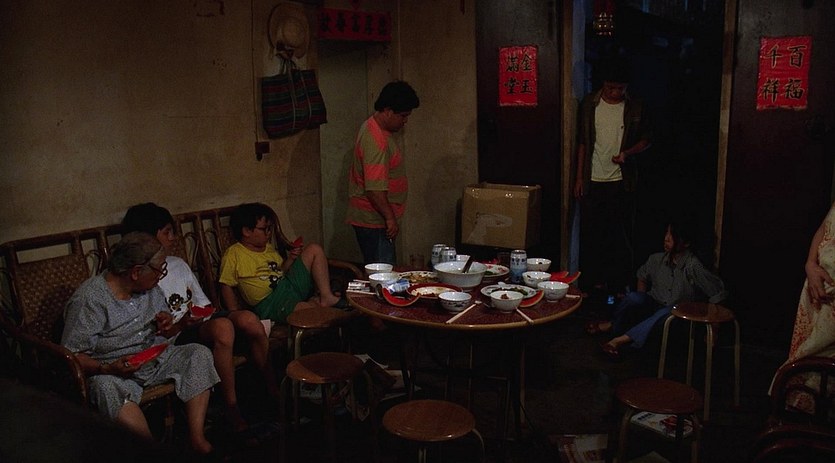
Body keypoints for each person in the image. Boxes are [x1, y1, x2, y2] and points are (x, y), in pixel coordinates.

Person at [121, 202, 275, 433]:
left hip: (197, 321)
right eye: (167, 232)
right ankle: (231, 406)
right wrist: (182, 322)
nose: (173, 238)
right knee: (223, 328)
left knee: (249, 320)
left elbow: (203, 304)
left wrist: (200, 313)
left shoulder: (177, 264)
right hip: (175, 333)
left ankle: (272, 389)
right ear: (148, 238)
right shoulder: (140, 276)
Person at [61, 232, 219, 455]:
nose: (162, 275)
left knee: (197, 354)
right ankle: (151, 453)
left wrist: (176, 324)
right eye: (159, 270)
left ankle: (197, 440)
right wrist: (106, 368)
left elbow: (166, 332)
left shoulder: (149, 289)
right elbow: (72, 355)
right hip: (114, 371)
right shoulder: (90, 300)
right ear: (135, 272)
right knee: (105, 387)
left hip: (154, 359)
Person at [586, 221, 727, 359]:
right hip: (654, 304)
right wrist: (640, 303)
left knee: (668, 311)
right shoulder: (657, 259)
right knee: (634, 298)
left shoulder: (693, 266)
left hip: (677, 315)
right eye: (667, 233)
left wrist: (714, 331)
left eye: (673, 235)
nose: (667, 238)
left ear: (686, 243)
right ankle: (613, 325)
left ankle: (618, 341)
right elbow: (642, 276)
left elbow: (717, 293)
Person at [574, 58, 652, 295]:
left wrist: (627, 153)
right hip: (593, 179)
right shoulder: (590, 104)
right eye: (610, 88)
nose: (615, 93)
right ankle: (592, 284)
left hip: (621, 180)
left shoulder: (635, 106)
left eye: (620, 88)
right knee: (591, 234)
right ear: (603, 85)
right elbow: (583, 142)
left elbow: (647, 140)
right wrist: (579, 178)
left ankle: (618, 285)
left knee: (620, 235)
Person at [219, 202, 347, 323]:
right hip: (271, 302)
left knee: (314, 249)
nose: (269, 233)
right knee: (310, 311)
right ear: (246, 231)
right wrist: (234, 313)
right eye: (264, 229)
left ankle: (326, 296)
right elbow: (226, 284)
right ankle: (314, 303)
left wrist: (291, 259)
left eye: (270, 228)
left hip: (286, 285)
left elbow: (281, 271)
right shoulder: (234, 254)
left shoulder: (267, 248)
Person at [346, 80, 420, 265]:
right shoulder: (376, 139)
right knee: (383, 274)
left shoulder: (372, 127)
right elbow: (374, 189)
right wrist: (390, 218)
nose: (405, 121)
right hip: (375, 221)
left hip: (375, 219)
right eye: (403, 116)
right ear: (388, 111)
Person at [774, 202, 835, 393]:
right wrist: (810, 263)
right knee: (805, 362)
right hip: (818, 290)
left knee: (820, 365)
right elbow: (825, 227)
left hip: (830, 296)